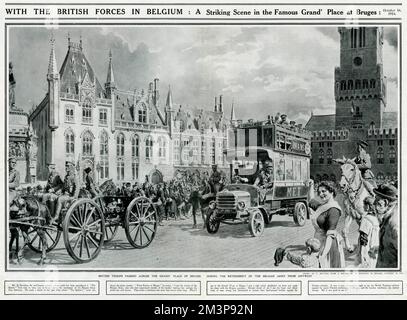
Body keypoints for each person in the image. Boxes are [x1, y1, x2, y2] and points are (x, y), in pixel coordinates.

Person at [307, 179, 345, 268]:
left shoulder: (334, 210)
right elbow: (311, 201)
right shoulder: (323, 206)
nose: (320, 194)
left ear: (331, 191)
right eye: (319, 192)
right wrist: (311, 186)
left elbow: (330, 235)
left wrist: (323, 254)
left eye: (324, 191)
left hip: (328, 245)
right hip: (318, 241)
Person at [373, 184, 398, 268]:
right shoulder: (388, 216)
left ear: (386, 203)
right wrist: (380, 248)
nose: (373, 203)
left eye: (377, 200)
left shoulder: (394, 224)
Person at [357, 196, 380, 268]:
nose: (363, 206)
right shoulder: (376, 219)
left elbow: (363, 239)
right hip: (375, 250)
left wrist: (362, 255)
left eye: (364, 204)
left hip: (367, 251)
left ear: (368, 206)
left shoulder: (366, 219)